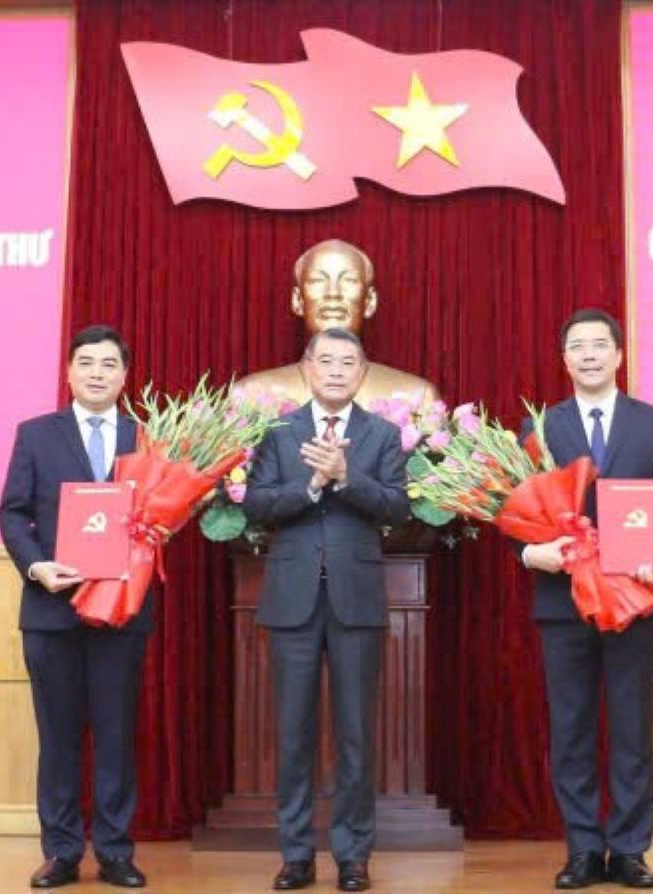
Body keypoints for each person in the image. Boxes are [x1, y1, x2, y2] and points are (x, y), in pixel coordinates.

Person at [519, 309, 653, 890]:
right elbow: (518, 511)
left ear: (619, 355)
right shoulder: (539, 429)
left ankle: (630, 850)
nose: (589, 355)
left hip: (634, 597)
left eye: (600, 345)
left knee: (631, 727)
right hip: (563, 599)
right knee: (570, 729)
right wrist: (528, 554)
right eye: (577, 346)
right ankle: (583, 851)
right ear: (563, 359)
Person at [243, 327, 410, 892]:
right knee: (292, 734)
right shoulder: (278, 432)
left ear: (362, 372)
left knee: (356, 735)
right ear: (306, 368)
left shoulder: (382, 434)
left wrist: (346, 478)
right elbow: (259, 506)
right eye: (326, 361)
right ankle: (295, 855)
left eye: (349, 362)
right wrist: (311, 487)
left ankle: (353, 856)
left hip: (356, 602)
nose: (337, 370)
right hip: (291, 601)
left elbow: (397, 507)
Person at [0, 324, 150, 889]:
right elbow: (12, 513)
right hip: (51, 610)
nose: (96, 373)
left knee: (115, 734)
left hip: (121, 611)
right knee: (58, 737)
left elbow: (158, 521)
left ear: (125, 375)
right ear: (68, 372)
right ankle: (62, 851)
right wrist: (39, 566)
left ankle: (114, 851)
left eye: (109, 364)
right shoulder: (36, 435)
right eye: (86, 363)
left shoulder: (146, 438)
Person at [236, 238, 439, 409]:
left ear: (369, 301)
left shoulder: (416, 399)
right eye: (317, 281)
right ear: (297, 301)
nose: (333, 293)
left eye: (349, 281)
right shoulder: (252, 396)